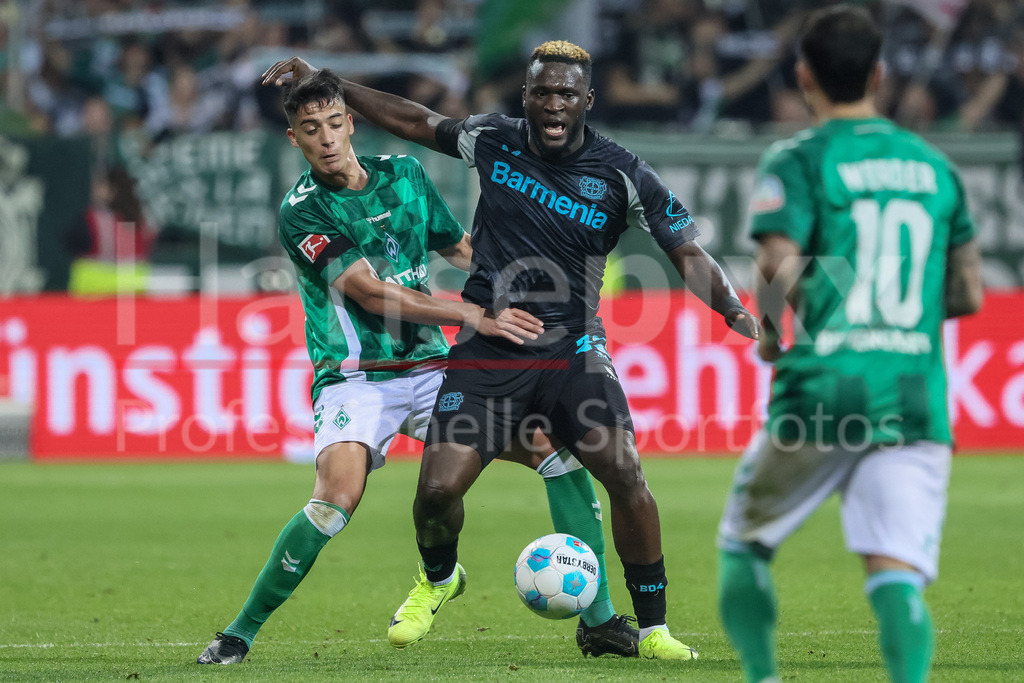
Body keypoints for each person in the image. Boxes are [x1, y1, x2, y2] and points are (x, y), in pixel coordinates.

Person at [263, 40, 759, 661]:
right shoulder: (494, 139)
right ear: (526, 96)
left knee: (623, 470)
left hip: (573, 347)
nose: (553, 104)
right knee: (437, 492)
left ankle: (652, 627)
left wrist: (731, 306)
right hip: (490, 345)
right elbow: (416, 120)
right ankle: (438, 579)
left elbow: (685, 248)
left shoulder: (624, 173)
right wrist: (333, 82)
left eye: (566, 94)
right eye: (541, 92)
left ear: (587, 101)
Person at [198, 68, 636, 664]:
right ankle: (240, 633)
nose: (326, 138)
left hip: (431, 369)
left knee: (553, 448)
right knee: (334, 499)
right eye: (310, 129)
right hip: (356, 377)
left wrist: (530, 283)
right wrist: (475, 315)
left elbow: (460, 248)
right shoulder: (303, 211)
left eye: (333, 123)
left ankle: (600, 620)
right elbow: (369, 292)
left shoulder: (403, 174)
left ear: (351, 123)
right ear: (293, 138)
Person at [715, 6, 984, 682]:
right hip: (915, 396)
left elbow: (776, 261)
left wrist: (772, 335)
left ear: (804, 75)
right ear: (879, 74)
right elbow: (969, 293)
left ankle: (762, 676)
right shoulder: (935, 167)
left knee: (744, 543)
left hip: (825, 385)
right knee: (894, 567)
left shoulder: (798, 158)